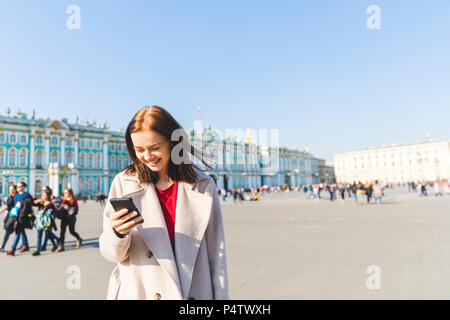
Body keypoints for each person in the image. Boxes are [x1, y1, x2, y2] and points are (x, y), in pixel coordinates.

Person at [99, 105, 229, 300]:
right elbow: (112, 255)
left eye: (155, 148)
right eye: (139, 150)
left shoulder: (203, 186)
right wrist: (117, 233)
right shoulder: (123, 183)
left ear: (173, 143)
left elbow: (217, 256)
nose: (147, 156)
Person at [7, 182, 34, 256]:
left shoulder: (26, 194)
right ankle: (25, 246)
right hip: (16, 216)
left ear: (24, 187)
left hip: (23, 216)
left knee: (18, 232)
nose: (19, 188)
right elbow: (9, 204)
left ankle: (13, 249)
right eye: (18, 187)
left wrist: (22, 202)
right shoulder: (16, 195)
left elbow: (31, 202)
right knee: (21, 231)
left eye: (21, 186)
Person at [32, 189, 59, 256]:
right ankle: (38, 250)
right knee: (39, 236)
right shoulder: (41, 203)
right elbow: (32, 203)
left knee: (48, 234)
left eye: (44, 195)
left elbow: (53, 213)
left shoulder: (51, 204)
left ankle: (56, 243)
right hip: (40, 222)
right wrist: (38, 200)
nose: (43, 196)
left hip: (47, 223)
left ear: (48, 196)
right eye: (42, 195)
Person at [0, 185, 17, 252]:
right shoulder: (10, 197)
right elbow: (8, 208)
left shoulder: (16, 197)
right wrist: (5, 216)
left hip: (15, 217)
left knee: (19, 232)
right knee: (9, 231)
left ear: (15, 190)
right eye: (10, 189)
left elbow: (6, 206)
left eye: (12, 189)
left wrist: (0, 211)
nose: (10, 190)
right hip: (10, 216)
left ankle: (3, 246)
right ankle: (3, 246)